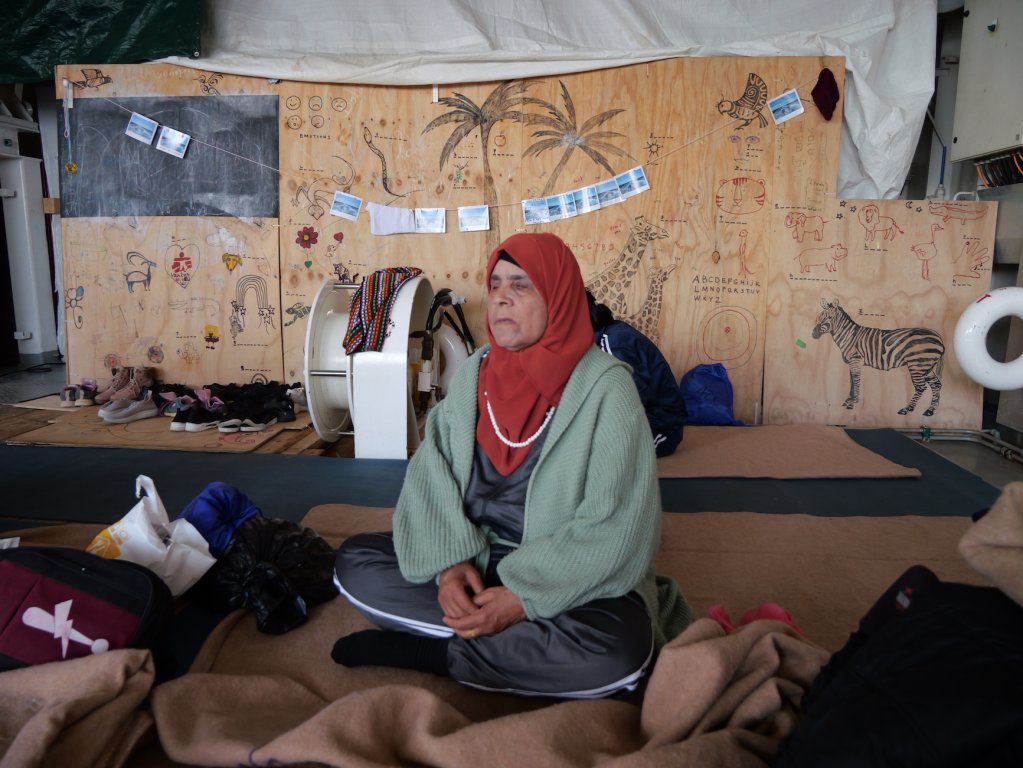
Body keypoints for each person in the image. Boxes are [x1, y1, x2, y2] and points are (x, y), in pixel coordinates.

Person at [331, 232, 691, 699]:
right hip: (476, 556)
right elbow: (430, 475)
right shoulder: (477, 372)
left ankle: (438, 653)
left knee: (619, 653)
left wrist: (523, 597)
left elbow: (619, 526)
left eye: (521, 285)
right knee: (354, 564)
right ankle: (507, 647)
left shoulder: (607, 390)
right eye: (496, 283)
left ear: (558, 297)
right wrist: (448, 565)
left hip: (559, 570)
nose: (501, 296)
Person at [586, 291, 687, 457]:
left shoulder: (612, 343)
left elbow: (628, 401)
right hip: (636, 419)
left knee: (595, 456)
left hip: (660, 428)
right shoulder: (604, 336)